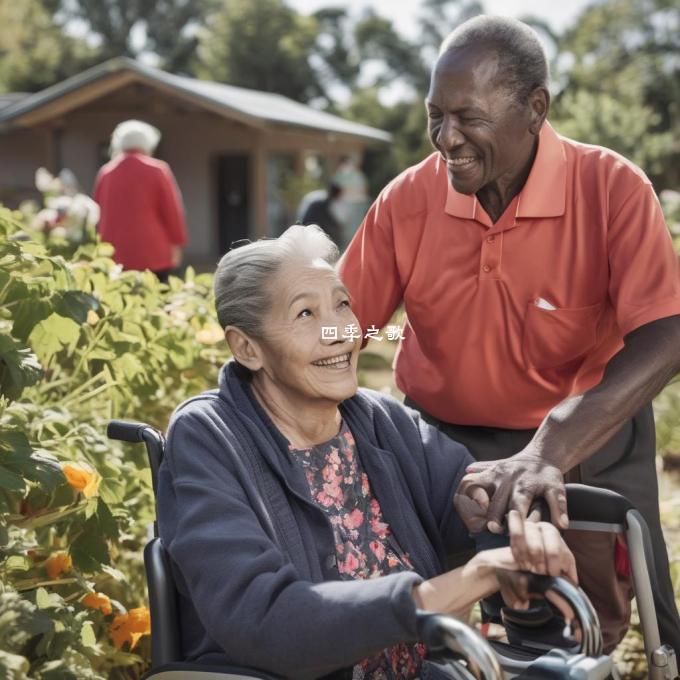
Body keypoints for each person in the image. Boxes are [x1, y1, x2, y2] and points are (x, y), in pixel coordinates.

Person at [338, 15, 680, 655]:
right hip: (439, 441)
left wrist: (551, 446)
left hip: (581, 434)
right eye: (435, 116)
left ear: (535, 108)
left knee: (571, 635)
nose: (446, 139)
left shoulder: (609, 189)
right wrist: (307, 337)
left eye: (468, 117)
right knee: (426, 629)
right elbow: (351, 321)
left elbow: (666, 334)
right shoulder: (407, 201)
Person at [156, 225, 577, 679]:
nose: (339, 332)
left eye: (341, 305)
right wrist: (464, 583)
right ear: (247, 348)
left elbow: (474, 489)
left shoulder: (377, 419)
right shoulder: (209, 438)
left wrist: (522, 531)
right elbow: (266, 619)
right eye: (305, 314)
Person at [93, 120, 187, 282]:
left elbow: (97, 214)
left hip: (115, 254)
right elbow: (172, 212)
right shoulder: (158, 169)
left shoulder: (106, 172)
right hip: (154, 253)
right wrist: (177, 243)